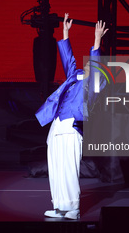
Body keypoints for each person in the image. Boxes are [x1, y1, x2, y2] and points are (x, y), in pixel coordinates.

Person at [35, 13, 108, 219]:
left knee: (68, 169)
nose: (85, 65)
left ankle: (73, 208)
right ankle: (59, 206)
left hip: (71, 127)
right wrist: (65, 33)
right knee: (56, 167)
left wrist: (97, 40)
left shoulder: (94, 84)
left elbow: (94, 61)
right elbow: (68, 59)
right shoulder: (73, 77)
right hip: (57, 125)